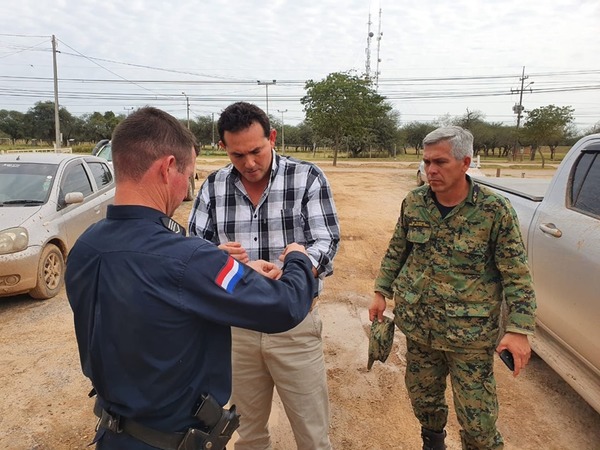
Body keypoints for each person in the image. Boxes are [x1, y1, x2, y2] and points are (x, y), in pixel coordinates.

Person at [66, 106, 318, 450]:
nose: (188, 186)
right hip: (171, 440)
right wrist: (299, 260)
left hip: (113, 434)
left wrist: (231, 271)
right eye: (189, 175)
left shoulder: (86, 247)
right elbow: (285, 306)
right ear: (168, 168)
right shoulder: (191, 258)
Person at [369, 126, 536, 450]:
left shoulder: (493, 210)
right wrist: (381, 291)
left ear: (465, 162)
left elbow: (516, 274)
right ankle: (433, 442)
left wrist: (519, 329)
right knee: (423, 399)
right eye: (427, 161)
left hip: (469, 336)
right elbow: (397, 251)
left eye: (440, 162)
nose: (431, 170)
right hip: (420, 328)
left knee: (478, 419)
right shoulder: (414, 203)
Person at [188, 102, 340, 450]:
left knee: (313, 435)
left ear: (272, 138)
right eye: (238, 155)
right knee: (246, 432)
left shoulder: (306, 177)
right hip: (236, 328)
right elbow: (192, 251)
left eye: (256, 150)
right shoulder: (213, 187)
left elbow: (326, 239)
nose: (250, 163)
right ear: (224, 147)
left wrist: (293, 270)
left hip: (295, 324)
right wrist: (217, 260)